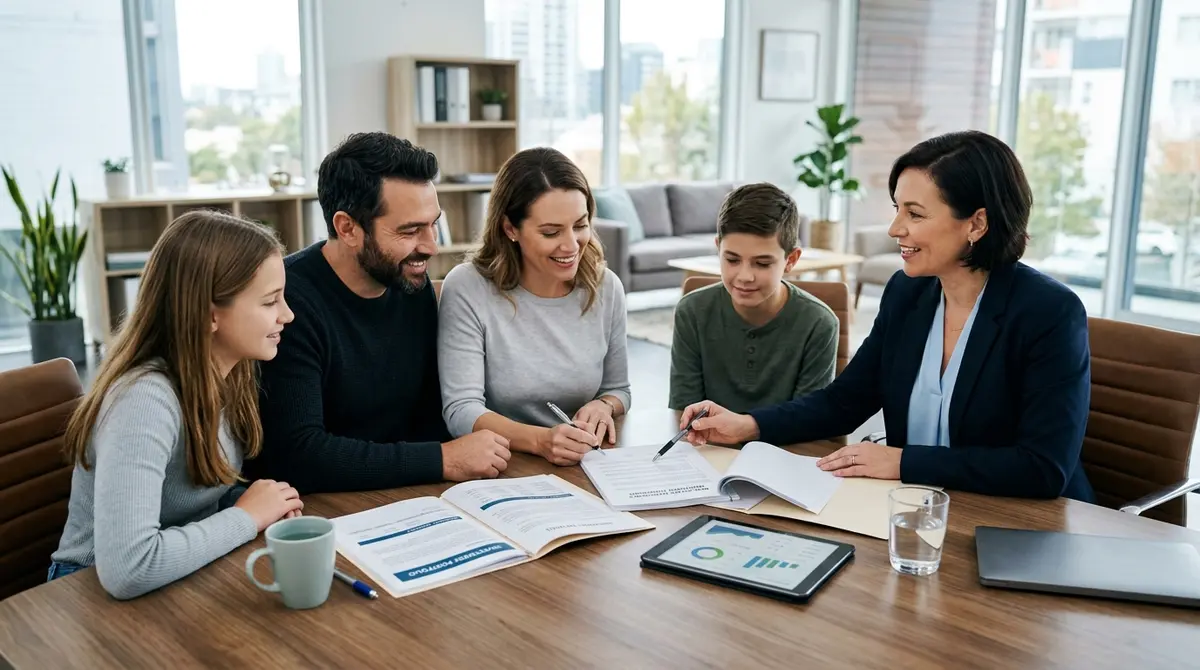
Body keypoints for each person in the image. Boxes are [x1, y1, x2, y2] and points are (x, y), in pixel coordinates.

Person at [680, 130, 1095, 501]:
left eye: (914, 214)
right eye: (897, 209)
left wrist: (902, 463)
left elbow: (1043, 468)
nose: (895, 228)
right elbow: (844, 402)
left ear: (977, 223)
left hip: (1019, 525)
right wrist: (747, 424)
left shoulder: (1049, 313)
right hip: (910, 508)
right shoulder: (907, 293)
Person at [49, 211, 303, 599]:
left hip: (170, 575)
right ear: (210, 313)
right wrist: (246, 516)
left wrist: (259, 504)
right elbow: (128, 568)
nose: (287, 314)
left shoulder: (228, 373)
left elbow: (185, 501)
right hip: (86, 593)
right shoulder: (143, 400)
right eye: (270, 301)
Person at [252, 132, 511, 494]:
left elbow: (427, 413)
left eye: (433, 223)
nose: (431, 246)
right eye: (409, 230)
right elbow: (299, 454)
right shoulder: (285, 302)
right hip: (320, 507)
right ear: (347, 228)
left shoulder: (408, 281)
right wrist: (443, 459)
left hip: (404, 493)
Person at [438, 147, 631, 467]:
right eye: (551, 232)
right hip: (500, 465)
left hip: (582, 462)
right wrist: (541, 440)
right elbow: (461, 410)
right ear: (510, 228)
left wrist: (604, 406)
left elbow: (618, 389)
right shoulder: (468, 287)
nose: (571, 245)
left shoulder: (606, 287)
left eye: (580, 225)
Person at [669, 182, 839, 412]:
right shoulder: (692, 311)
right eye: (732, 260)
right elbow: (684, 409)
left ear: (791, 260)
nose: (744, 276)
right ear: (718, 249)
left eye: (762, 263)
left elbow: (807, 420)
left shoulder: (819, 323)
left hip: (785, 447)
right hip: (706, 446)